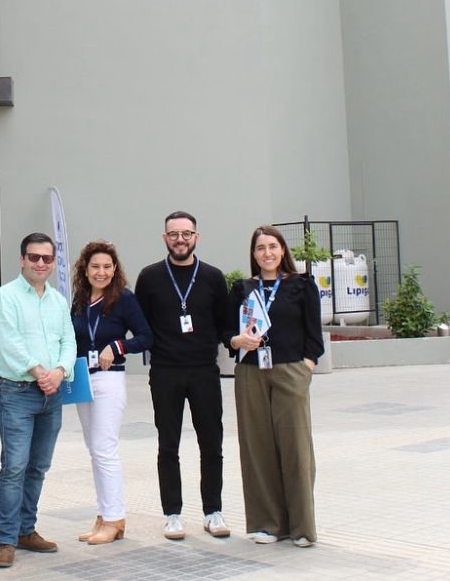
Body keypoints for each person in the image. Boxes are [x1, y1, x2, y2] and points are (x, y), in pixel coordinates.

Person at [134, 211, 232, 540]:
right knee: (168, 445)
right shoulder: (149, 277)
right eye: (174, 234)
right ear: (165, 238)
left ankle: (213, 511)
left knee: (212, 444)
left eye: (186, 234)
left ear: (196, 237)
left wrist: (237, 341)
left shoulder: (213, 277)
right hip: (165, 371)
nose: (180, 240)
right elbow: (141, 325)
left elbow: (225, 325)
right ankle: (172, 514)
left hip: (204, 371)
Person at [228, 224, 324, 547]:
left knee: (296, 447)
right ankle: (267, 524)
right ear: (253, 254)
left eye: (272, 246)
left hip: (290, 371)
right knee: (257, 448)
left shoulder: (302, 285)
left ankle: (301, 527)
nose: (267, 253)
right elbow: (226, 332)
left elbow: (314, 338)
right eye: (260, 248)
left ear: (282, 250)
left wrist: (305, 368)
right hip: (250, 373)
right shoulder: (242, 289)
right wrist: (237, 340)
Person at [0, 232, 77, 569]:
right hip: (17, 393)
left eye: (47, 258)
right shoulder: (6, 297)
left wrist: (60, 370)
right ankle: (6, 539)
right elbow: (9, 342)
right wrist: (40, 371)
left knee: (38, 467)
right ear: (22, 259)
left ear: (53, 263)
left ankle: (27, 531)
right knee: (14, 466)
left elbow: (69, 340)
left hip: (51, 395)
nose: (41, 263)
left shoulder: (57, 301)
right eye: (34, 257)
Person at [70, 240, 153, 545]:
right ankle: (104, 515)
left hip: (109, 380)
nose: (101, 272)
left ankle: (115, 518)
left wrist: (117, 347)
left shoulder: (124, 299)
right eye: (95, 266)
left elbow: (146, 337)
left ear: (115, 269)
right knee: (94, 449)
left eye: (107, 266)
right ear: (85, 269)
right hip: (83, 379)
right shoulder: (80, 300)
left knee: (105, 448)